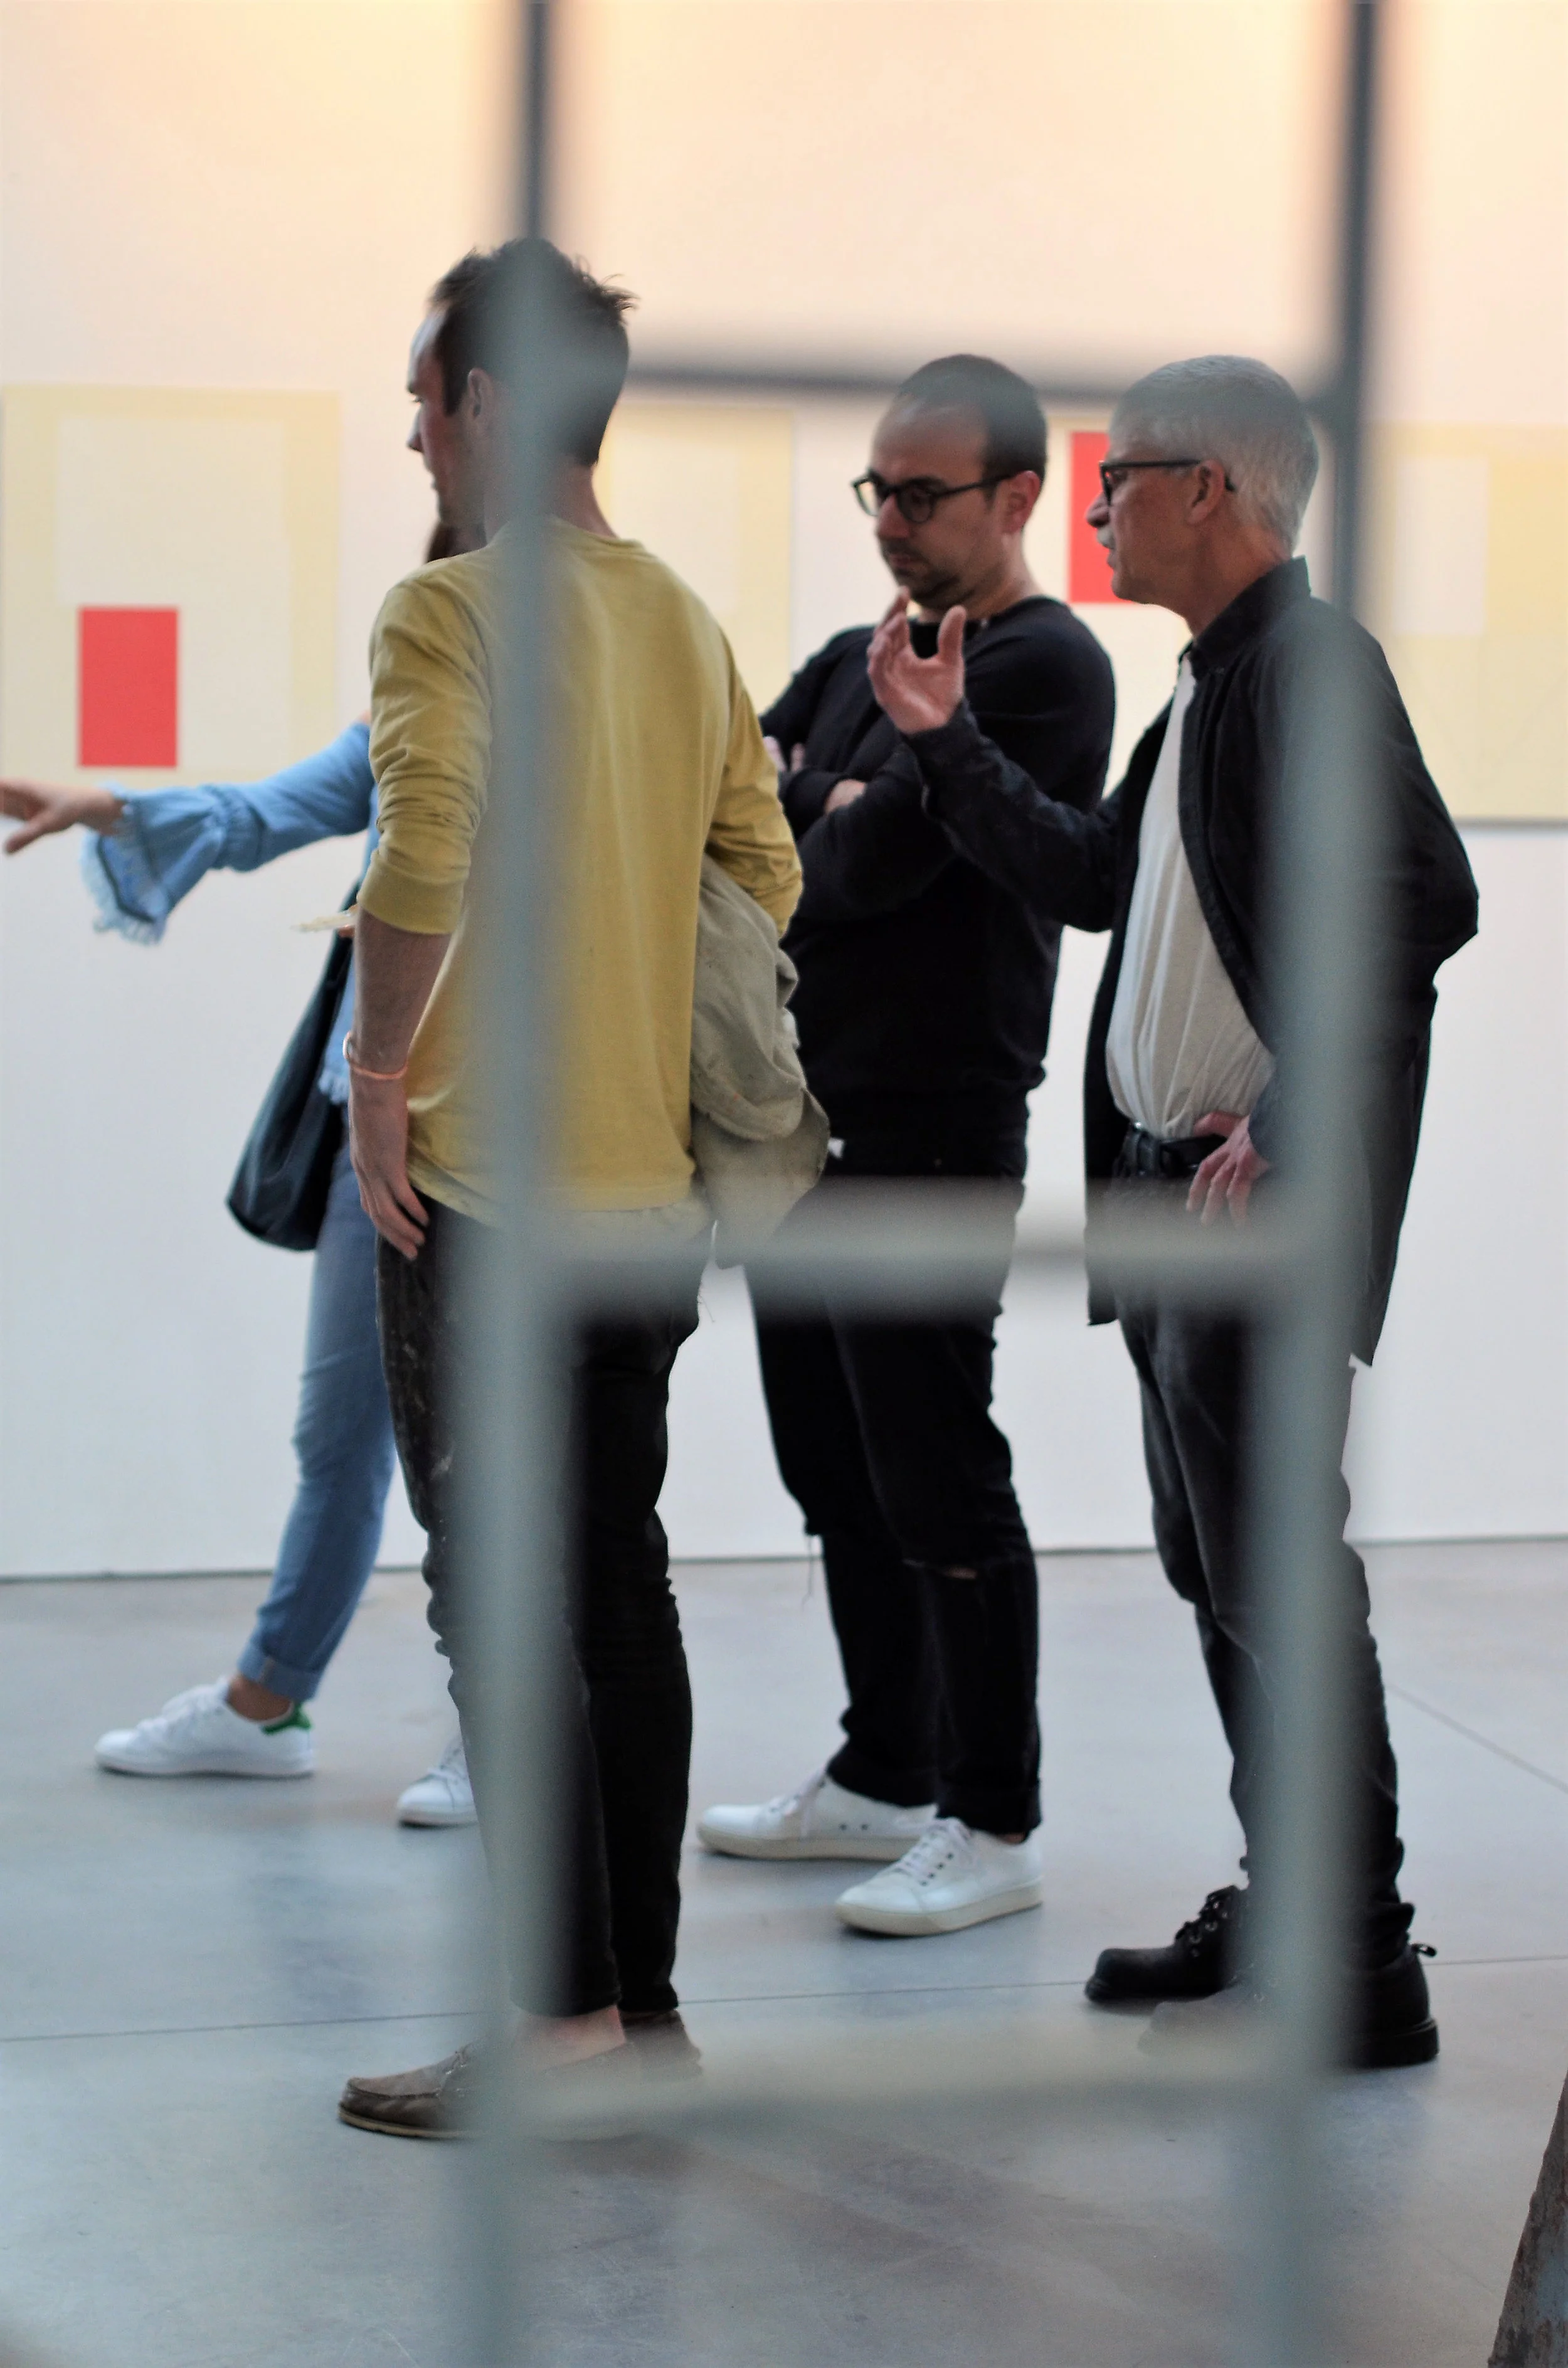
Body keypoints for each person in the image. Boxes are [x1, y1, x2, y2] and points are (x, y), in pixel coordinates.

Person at [865, 354, 1478, 2066]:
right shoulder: (1211, 687)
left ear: (1207, 486)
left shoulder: (1308, 667)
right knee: (1216, 1563)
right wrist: (945, 746)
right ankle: (1294, 1905)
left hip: (1241, 1212)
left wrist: (1290, 1109)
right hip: (1162, 1196)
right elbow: (1088, 877)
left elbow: (1422, 896)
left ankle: (1359, 1962)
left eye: (1115, 478)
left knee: (1271, 1567)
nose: (1092, 512)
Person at [335, 238, 801, 2138]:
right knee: (617, 1586)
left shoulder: (449, 610)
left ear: (488, 400)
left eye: (422, 397)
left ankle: (558, 2028)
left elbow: (421, 845)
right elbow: (765, 870)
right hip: (646, 1196)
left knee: (500, 1604)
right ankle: (640, 2016)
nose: (412, 435)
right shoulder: (678, 617)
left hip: (483, 1194)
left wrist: (378, 1075)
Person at [0, 256, 495, 1826]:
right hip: (374, 1108)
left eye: (421, 404)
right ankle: (269, 1698)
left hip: (491, 1118)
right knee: (342, 1427)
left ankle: (500, 1730)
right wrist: (111, 804)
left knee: (480, 1446)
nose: (407, 436)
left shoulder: (582, 654)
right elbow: (281, 806)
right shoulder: (424, 668)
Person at [697, 356, 1116, 1938]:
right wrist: (834, 792)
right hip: (797, 1118)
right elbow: (739, 820)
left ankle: (992, 1818)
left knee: (936, 1472)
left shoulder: (1046, 664)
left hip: (932, 1120)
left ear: (1016, 497)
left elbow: (852, 871)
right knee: (833, 1466)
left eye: (921, 495)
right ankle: (885, 1767)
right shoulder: (853, 654)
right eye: (878, 490)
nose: (889, 520)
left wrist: (825, 801)